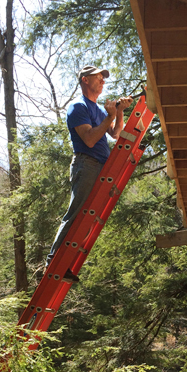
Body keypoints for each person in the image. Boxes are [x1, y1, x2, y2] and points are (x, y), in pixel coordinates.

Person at [41, 66, 133, 282]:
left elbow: (115, 133)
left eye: (103, 78)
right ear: (85, 80)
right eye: (98, 78)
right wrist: (108, 116)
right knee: (76, 213)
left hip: (101, 166)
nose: (102, 81)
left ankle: (66, 264)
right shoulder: (77, 107)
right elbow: (90, 139)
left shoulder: (99, 110)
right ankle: (53, 262)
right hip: (87, 164)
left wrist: (118, 113)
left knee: (89, 217)